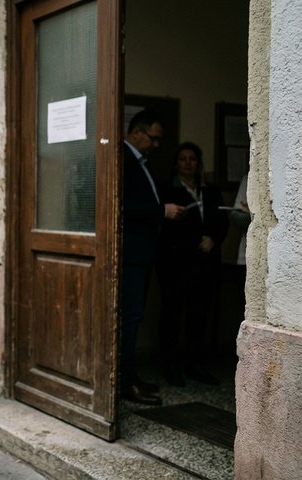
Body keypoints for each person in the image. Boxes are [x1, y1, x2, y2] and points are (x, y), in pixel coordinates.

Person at [120, 110, 185, 406]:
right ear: (137, 132)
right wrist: (162, 212)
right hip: (130, 255)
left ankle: (129, 377)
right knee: (128, 319)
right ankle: (124, 382)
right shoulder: (122, 157)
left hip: (142, 254)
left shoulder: (141, 162)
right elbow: (120, 204)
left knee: (134, 318)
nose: (157, 145)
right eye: (153, 138)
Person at [156, 142, 228, 387]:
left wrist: (213, 239)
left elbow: (222, 222)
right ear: (176, 163)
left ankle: (194, 364)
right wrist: (191, 240)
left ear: (198, 163)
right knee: (172, 315)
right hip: (176, 263)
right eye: (183, 159)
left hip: (205, 262)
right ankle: (171, 366)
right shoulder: (166, 190)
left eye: (192, 159)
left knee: (199, 315)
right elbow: (163, 227)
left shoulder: (210, 191)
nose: (187, 163)